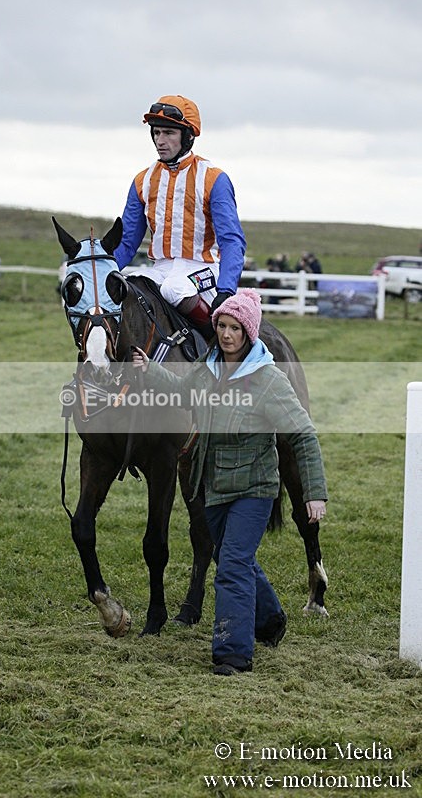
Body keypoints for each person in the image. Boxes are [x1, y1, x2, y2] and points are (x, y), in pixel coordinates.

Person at [132, 289, 327, 675]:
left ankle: (233, 653)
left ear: (248, 332)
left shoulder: (267, 380)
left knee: (232, 567)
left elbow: (303, 434)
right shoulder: (208, 369)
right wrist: (149, 369)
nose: (225, 334)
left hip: (254, 489)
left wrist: (314, 493)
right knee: (233, 557)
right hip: (215, 487)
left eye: (235, 328)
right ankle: (270, 619)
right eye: (221, 325)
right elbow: (182, 392)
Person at [114, 95, 246, 337]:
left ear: (188, 137)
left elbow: (231, 241)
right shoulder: (143, 180)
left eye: (168, 133)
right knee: (128, 288)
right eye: (156, 133)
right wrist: (104, 271)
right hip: (160, 268)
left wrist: (226, 289)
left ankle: (218, 343)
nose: (160, 140)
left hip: (205, 269)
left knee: (174, 289)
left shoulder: (213, 178)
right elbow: (126, 242)